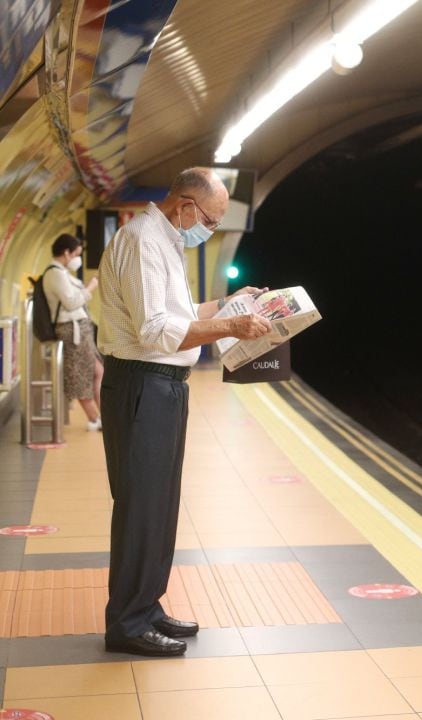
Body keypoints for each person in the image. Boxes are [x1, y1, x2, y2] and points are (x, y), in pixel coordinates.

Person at [97, 167, 271, 657]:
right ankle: (127, 624)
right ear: (186, 207)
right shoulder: (141, 240)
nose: (209, 230)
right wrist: (234, 325)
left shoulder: (165, 241)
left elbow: (178, 313)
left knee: (160, 504)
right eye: (212, 221)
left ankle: (146, 607)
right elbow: (155, 331)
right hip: (140, 384)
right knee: (140, 506)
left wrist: (227, 305)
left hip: (164, 386)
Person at [42, 234, 105, 431]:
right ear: (66, 253)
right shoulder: (55, 274)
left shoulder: (62, 272)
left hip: (81, 329)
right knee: (80, 375)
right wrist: (91, 288)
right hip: (71, 330)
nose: (78, 259)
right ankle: (95, 419)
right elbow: (71, 302)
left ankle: (105, 417)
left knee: (97, 371)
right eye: (77, 254)